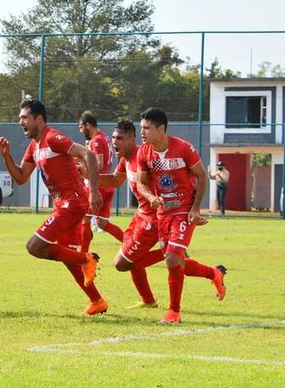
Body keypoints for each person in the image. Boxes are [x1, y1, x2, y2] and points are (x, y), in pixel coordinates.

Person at [0, 99, 108, 315]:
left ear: (38, 119)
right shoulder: (34, 146)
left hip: (73, 202)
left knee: (34, 246)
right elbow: (20, 177)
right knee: (67, 257)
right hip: (62, 204)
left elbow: (90, 155)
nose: (21, 122)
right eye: (19, 118)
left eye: (24, 118)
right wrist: (6, 156)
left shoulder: (53, 137)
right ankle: (97, 301)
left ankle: (86, 258)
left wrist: (94, 191)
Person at [100, 119, 227, 309]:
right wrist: (86, 175)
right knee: (163, 261)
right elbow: (114, 180)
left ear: (132, 139)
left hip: (154, 219)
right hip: (140, 217)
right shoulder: (126, 159)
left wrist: (191, 204)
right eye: (113, 138)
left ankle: (159, 295)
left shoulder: (145, 154)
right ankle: (209, 273)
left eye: (119, 138)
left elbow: (177, 178)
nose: (114, 142)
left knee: (127, 262)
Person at [136, 107, 227, 324]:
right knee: (179, 265)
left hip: (184, 211)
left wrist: (195, 209)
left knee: (172, 259)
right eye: (141, 128)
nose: (142, 133)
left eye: (146, 128)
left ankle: (173, 312)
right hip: (163, 213)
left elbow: (202, 178)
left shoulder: (184, 148)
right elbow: (141, 183)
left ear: (161, 129)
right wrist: (150, 197)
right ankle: (214, 273)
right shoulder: (143, 153)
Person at [78, 111, 124, 253]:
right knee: (102, 223)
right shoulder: (105, 137)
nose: (80, 131)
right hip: (107, 185)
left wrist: (80, 164)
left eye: (81, 127)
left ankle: (83, 255)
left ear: (88, 125)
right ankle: (133, 245)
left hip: (98, 186)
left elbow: (98, 163)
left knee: (84, 219)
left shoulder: (96, 140)